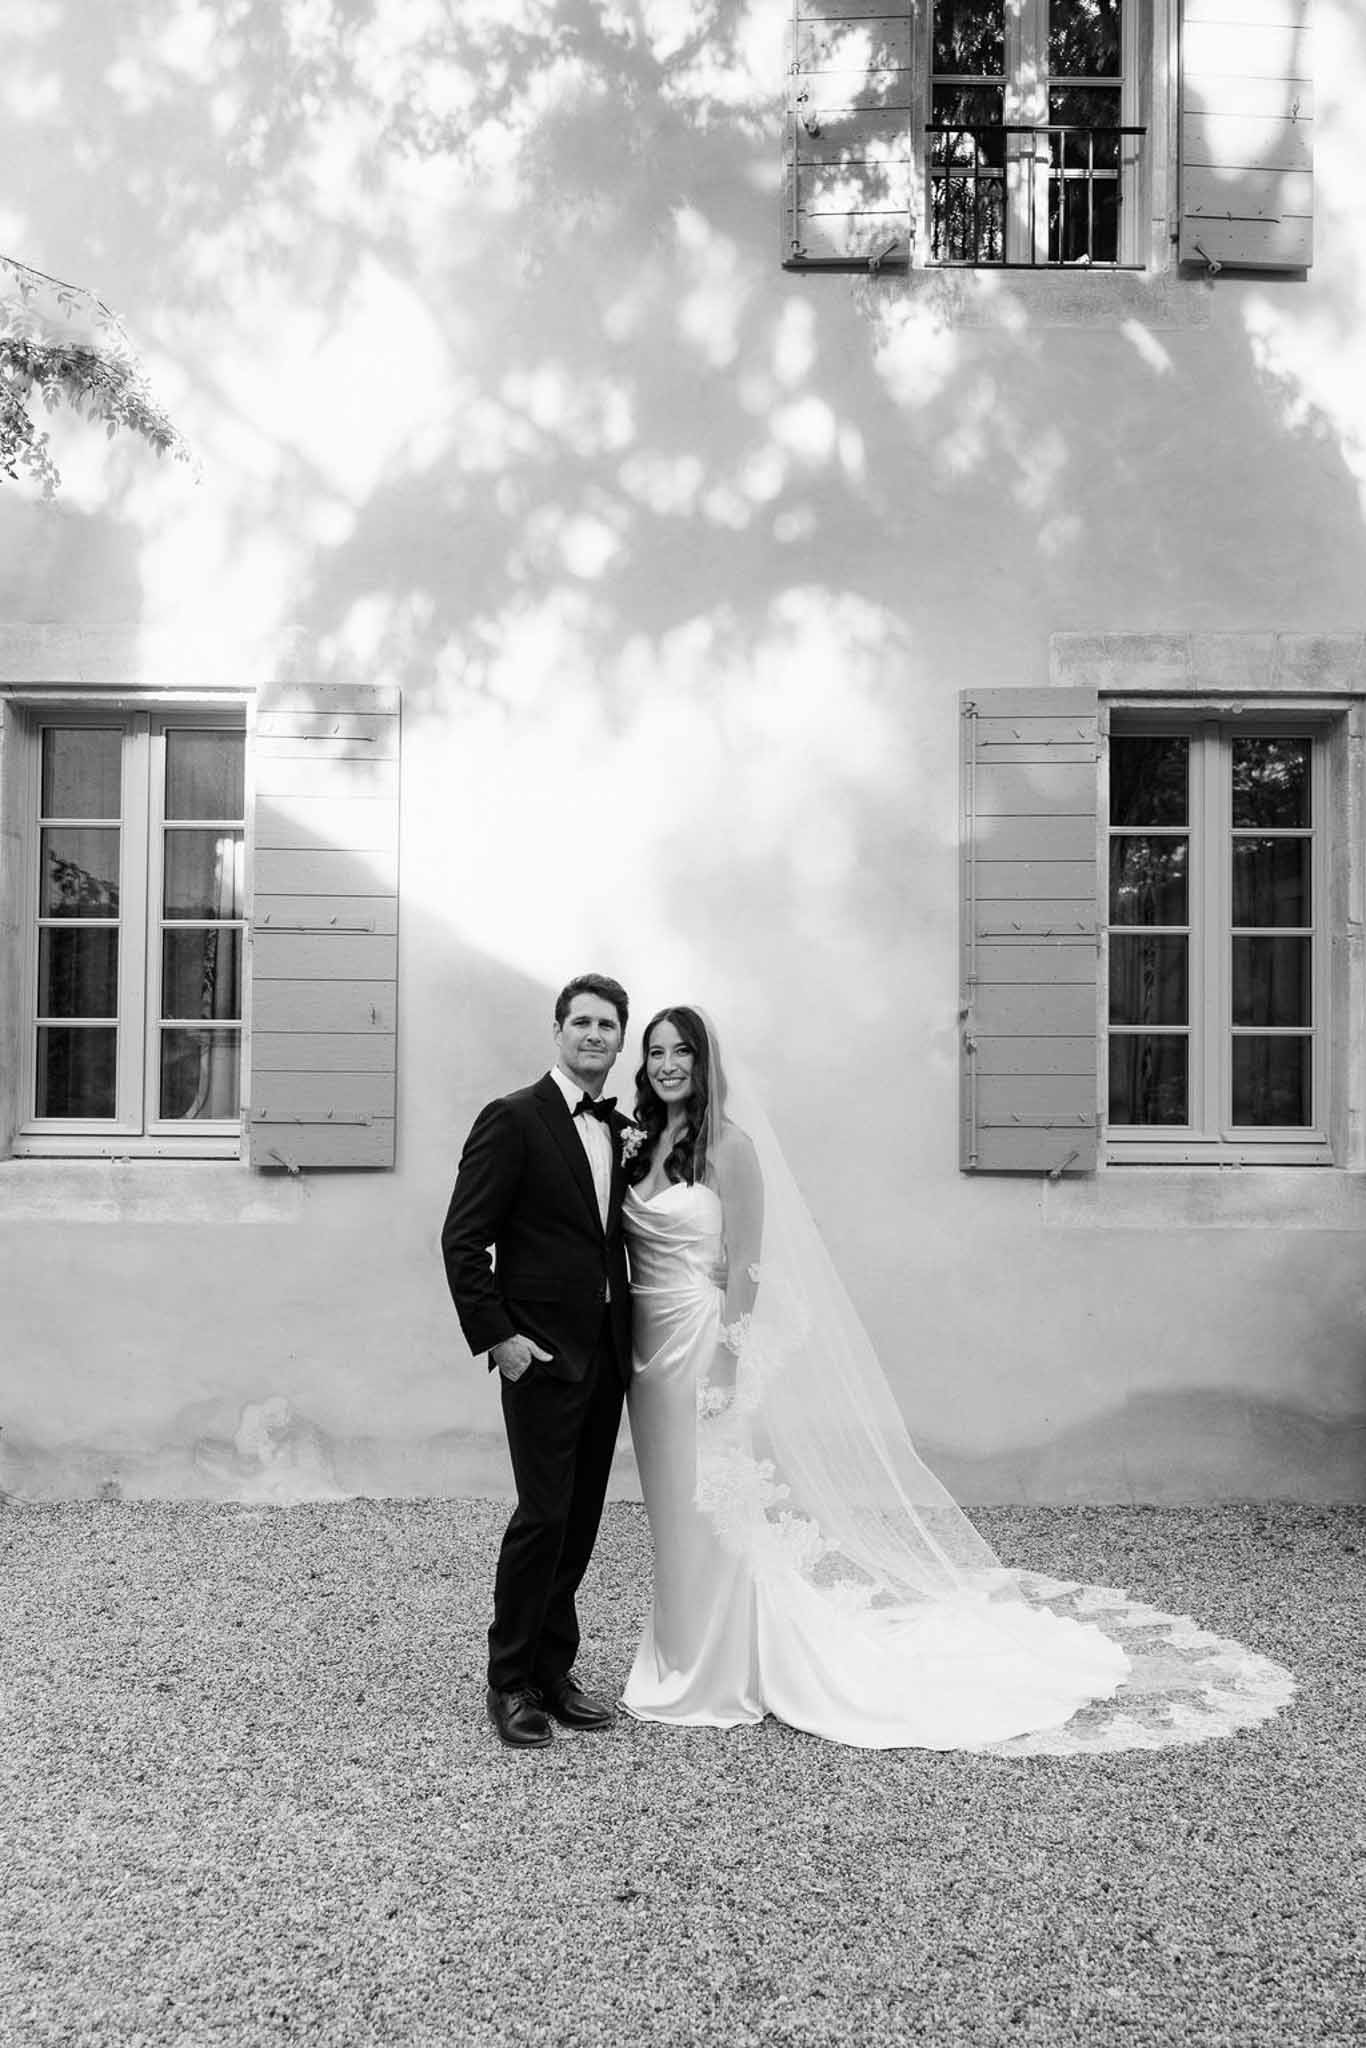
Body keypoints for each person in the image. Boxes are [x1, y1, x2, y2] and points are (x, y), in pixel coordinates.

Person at [619, 1006, 1295, 1754]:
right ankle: (677, 1649)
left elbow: (746, 1263)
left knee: (716, 1505)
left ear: (706, 1061)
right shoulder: (642, 1141)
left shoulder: (731, 1148)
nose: (667, 1063)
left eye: (681, 1050)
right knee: (671, 1508)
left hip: (701, 1345)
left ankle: (716, 1668)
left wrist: (727, 1360)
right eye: (655, 1052)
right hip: (646, 1358)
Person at [441, 974, 634, 1749]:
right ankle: (509, 1681)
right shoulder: (513, 1119)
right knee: (542, 1516)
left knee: (581, 1521)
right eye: (582, 1022)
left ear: (620, 1042)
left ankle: (556, 1672)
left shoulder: (621, 1130)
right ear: (558, 1032)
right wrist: (501, 1339)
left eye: (608, 1026)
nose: (594, 1035)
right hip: (541, 1358)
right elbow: (463, 1238)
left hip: (607, 1359)